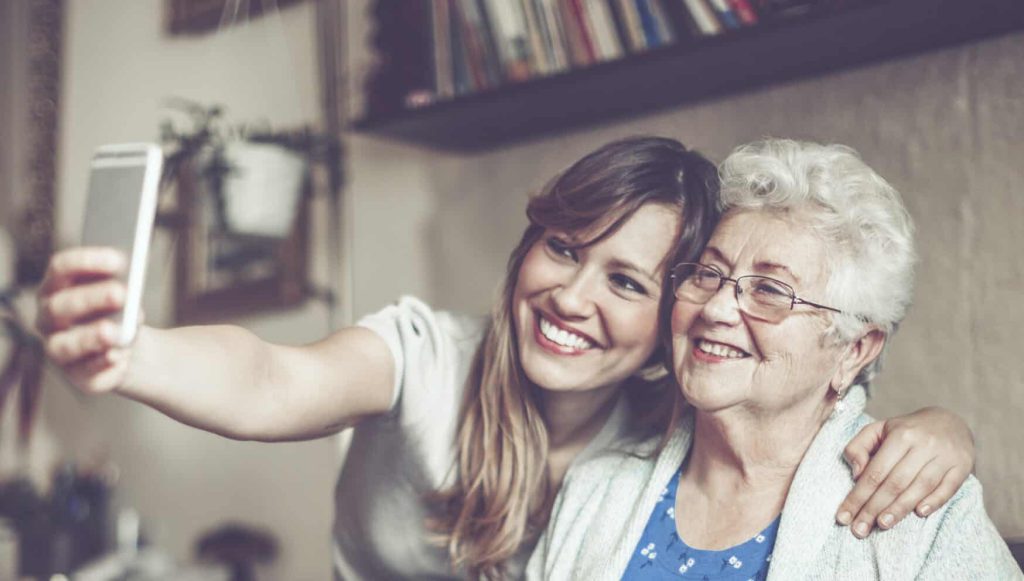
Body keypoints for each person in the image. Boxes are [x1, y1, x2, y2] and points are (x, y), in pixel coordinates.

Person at [37, 137, 975, 580]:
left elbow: (800, 384)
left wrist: (944, 432)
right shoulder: (431, 358)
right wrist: (132, 350)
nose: (571, 297)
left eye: (626, 280)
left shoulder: (669, 425)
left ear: (666, 321)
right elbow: (271, 379)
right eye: (563, 248)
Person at [526, 139, 1021, 580]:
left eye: (769, 290)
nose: (716, 309)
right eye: (708, 274)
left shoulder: (919, 507)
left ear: (854, 349)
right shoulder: (596, 488)